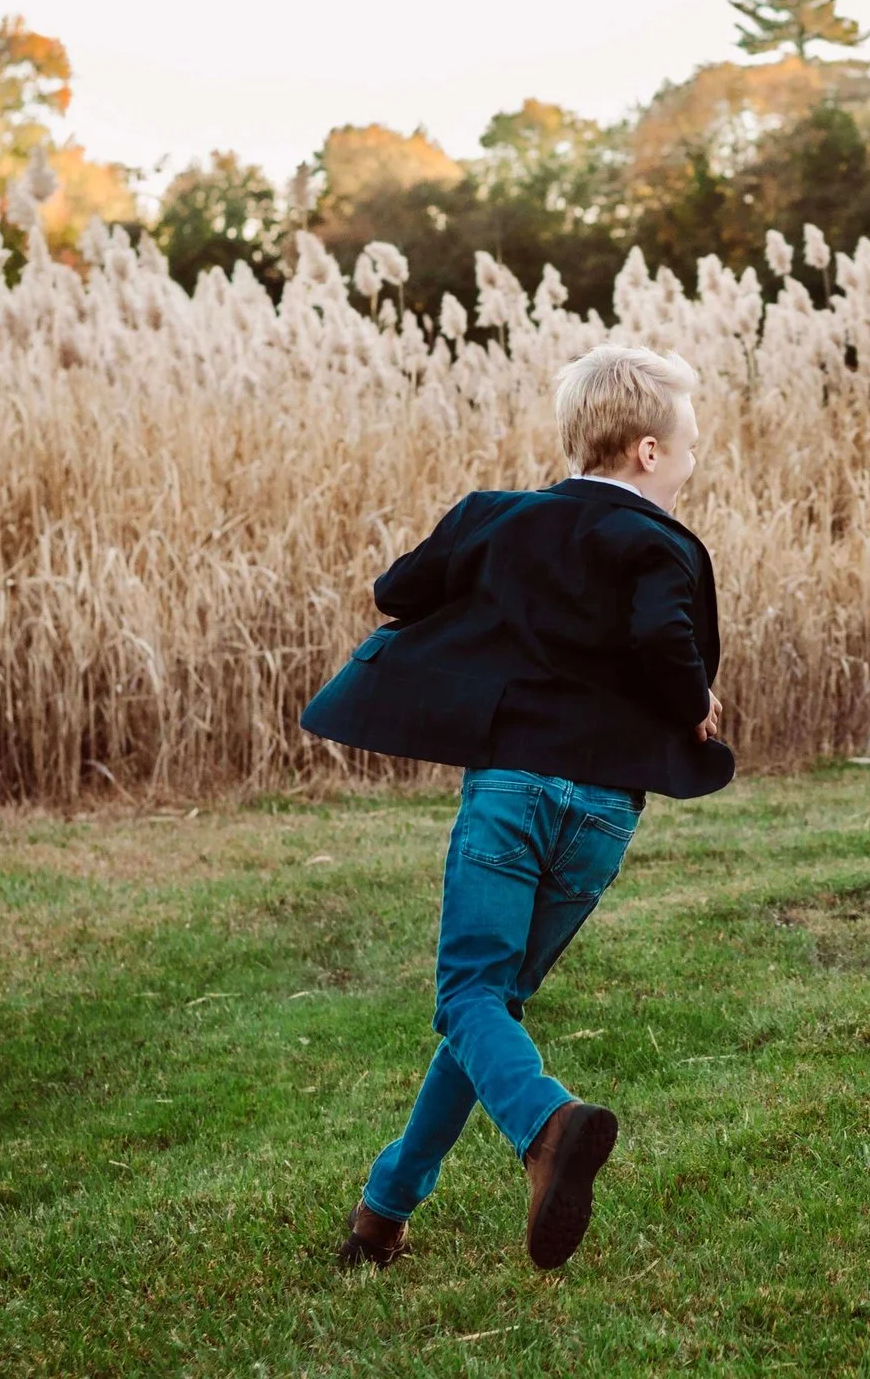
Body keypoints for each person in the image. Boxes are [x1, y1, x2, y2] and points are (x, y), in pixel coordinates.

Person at [308, 343, 734, 1272]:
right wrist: (692, 700)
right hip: (603, 814)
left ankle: (546, 1126)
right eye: (691, 446)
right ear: (647, 454)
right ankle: (383, 1210)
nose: (694, 462)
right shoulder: (663, 543)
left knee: (470, 997)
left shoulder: (493, 520)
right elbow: (665, 634)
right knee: (487, 1003)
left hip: (510, 789)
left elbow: (396, 590)